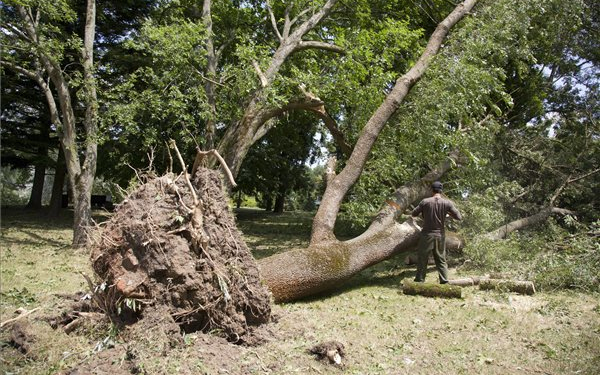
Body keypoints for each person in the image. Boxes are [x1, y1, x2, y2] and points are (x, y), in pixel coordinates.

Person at [411, 181, 462, 284]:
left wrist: (424, 211)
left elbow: (414, 213)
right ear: (441, 191)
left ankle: (419, 280)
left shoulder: (425, 202)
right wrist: (447, 212)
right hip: (440, 235)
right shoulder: (447, 203)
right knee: (441, 259)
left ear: (431, 190)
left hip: (427, 234)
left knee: (422, 258)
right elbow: (458, 217)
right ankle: (444, 280)